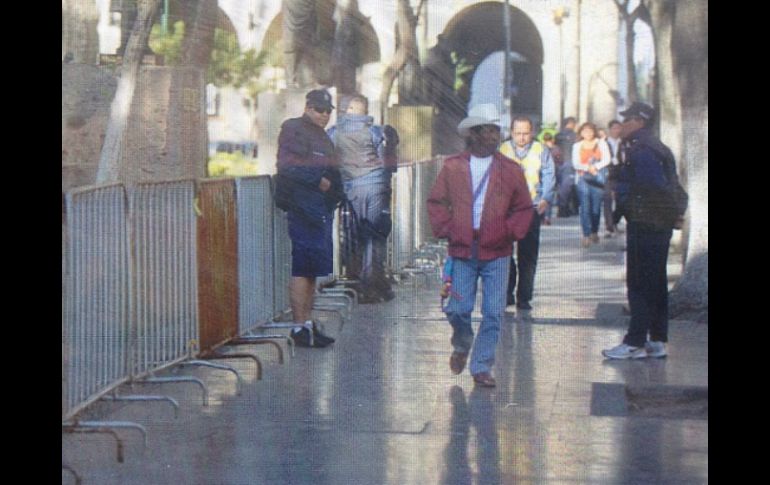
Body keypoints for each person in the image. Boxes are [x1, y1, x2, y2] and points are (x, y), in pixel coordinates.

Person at [427, 104, 533, 387]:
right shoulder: (453, 167)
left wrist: (508, 232)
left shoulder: (510, 170)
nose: (494, 135)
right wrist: (447, 229)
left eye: (496, 130)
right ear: (474, 134)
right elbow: (437, 201)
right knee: (458, 310)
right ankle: (462, 343)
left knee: (494, 311)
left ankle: (481, 365)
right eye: (489, 130)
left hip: (497, 252)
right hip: (462, 249)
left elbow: (523, 208)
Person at [602, 102, 685, 359]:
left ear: (639, 121)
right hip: (658, 223)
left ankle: (635, 341)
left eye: (627, 120)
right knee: (656, 281)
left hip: (647, 223)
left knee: (639, 282)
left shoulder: (641, 151)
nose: (622, 125)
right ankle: (657, 340)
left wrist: (623, 207)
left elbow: (649, 189)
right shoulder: (657, 147)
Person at [275, 88, 342, 348]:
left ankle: (307, 324)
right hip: (302, 207)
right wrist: (320, 182)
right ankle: (299, 326)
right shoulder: (294, 129)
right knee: (303, 268)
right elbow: (288, 166)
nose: (324, 115)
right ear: (308, 107)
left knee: (313, 269)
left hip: (319, 209)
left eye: (327, 111)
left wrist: (336, 192)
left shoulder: (322, 136)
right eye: (319, 109)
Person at [327, 94, 399, 303]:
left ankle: (355, 282)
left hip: (350, 189)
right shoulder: (376, 132)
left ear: (349, 110)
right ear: (364, 110)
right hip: (376, 186)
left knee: (354, 237)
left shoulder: (333, 133)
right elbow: (387, 161)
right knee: (375, 236)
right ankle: (374, 284)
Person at [499, 116, 556, 310]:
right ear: (512, 132)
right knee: (504, 252)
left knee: (528, 254)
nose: (522, 137)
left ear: (532, 133)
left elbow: (549, 175)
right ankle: (507, 291)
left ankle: (524, 296)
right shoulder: (502, 150)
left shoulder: (541, 150)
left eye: (525, 133)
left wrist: (546, 198)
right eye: (518, 133)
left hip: (531, 207)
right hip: (506, 209)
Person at [572, 122, 611, 247]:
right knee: (584, 207)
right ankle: (586, 234)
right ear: (581, 133)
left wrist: (596, 167)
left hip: (598, 178)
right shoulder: (577, 145)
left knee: (595, 208)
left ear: (594, 131)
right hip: (583, 178)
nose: (587, 134)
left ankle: (594, 231)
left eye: (590, 131)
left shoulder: (601, 143)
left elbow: (607, 159)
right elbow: (575, 163)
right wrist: (588, 167)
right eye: (584, 131)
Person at [603, 120, 623, 237]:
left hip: (621, 173)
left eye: (618, 128)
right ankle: (609, 226)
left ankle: (614, 221)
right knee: (607, 199)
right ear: (610, 129)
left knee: (621, 200)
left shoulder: (624, 143)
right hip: (607, 173)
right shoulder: (604, 143)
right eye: (614, 128)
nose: (616, 131)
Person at [555, 117, 578, 217]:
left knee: (561, 186)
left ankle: (564, 208)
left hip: (558, 163)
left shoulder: (558, 135)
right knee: (568, 186)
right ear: (571, 123)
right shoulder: (574, 135)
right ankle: (565, 209)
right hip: (570, 162)